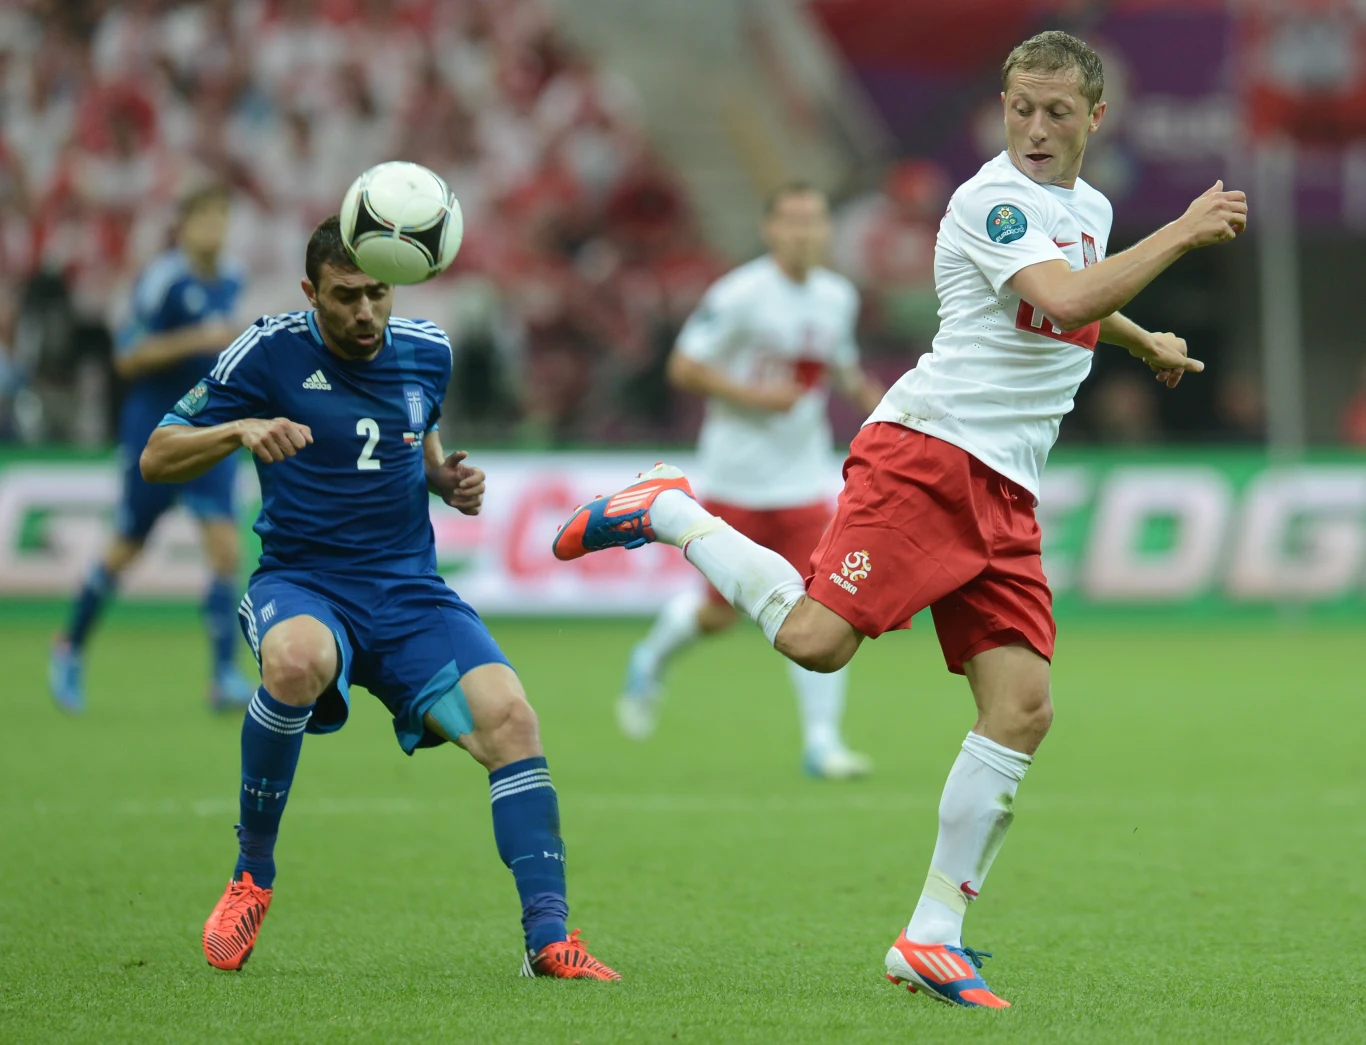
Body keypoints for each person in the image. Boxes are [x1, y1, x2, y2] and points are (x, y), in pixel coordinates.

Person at [552, 31, 1247, 1007]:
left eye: (1056, 112)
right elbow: (1059, 295)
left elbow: (1072, 299)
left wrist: (1140, 341)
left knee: (1022, 707)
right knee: (815, 642)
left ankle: (930, 936)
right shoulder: (990, 200)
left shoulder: (1085, 209)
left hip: (1006, 488)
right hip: (930, 457)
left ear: (1096, 117)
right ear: (1001, 108)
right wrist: (1178, 233)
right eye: (1020, 107)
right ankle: (666, 509)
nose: (1035, 128)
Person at [139, 216, 619, 980]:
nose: (365, 312)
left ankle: (548, 938)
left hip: (407, 594)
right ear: (310, 292)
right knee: (294, 660)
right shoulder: (267, 349)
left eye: (378, 294)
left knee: (511, 718)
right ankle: (251, 874)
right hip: (304, 581)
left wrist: (443, 478)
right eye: (345, 296)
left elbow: (412, 437)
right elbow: (157, 454)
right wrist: (240, 430)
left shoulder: (429, 350)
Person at [619, 182, 883, 779]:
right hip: (736, 480)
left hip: (803, 482)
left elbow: (842, 369)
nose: (804, 233)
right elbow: (683, 367)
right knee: (717, 616)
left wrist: (889, 415)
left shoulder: (836, 296)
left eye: (814, 221)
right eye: (792, 221)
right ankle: (650, 660)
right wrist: (754, 396)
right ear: (771, 229)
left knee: (823, 608)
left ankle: (822, 743)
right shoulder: (739, 294)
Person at [50, 184, 254, 714]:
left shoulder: (233, 277)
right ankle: (69, 646)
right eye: (205, 218)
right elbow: (127, 357)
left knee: (226, 547)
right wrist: (196, 339)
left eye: (221, 218)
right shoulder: (162, 280)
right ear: (182, 226)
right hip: (157, 432)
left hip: (211, 431)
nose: (214, 229)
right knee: (127, 545)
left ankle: (222, 675)